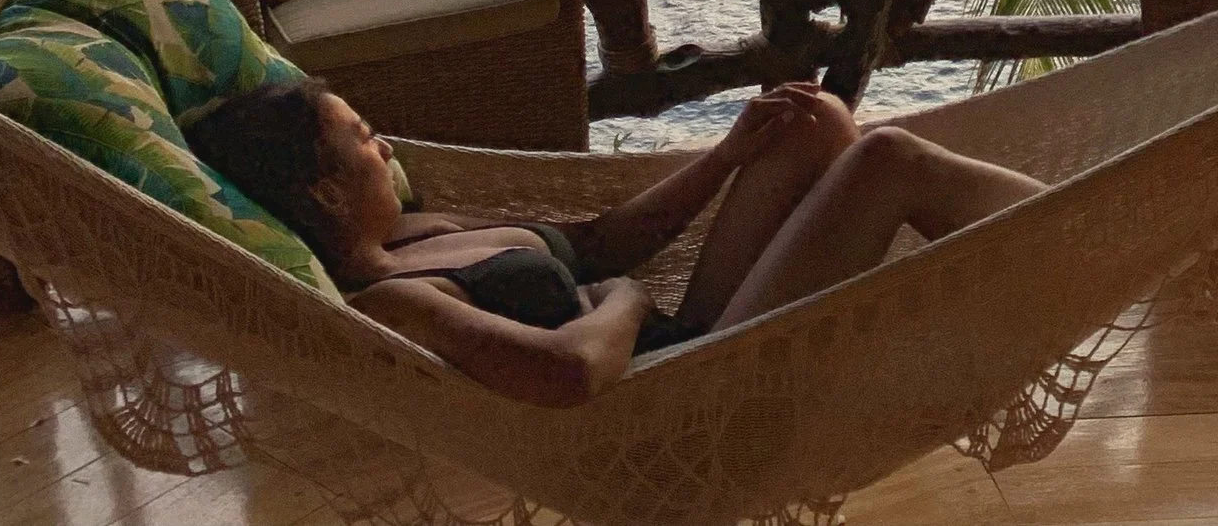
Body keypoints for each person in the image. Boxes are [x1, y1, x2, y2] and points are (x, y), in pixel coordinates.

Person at [190, 77, 1040, 406]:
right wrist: (629, 302)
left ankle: (1056, 235)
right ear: (325, 189)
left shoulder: (420, 230)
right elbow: (569, 370)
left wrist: (727, 155)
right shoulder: (394, 301)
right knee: (888, 160)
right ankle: (1072, 232)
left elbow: (598, 243)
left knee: (811, 120)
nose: (385, 148)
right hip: (687, 403)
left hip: (687, 345)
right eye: (363, 138)